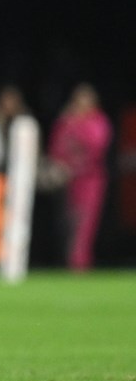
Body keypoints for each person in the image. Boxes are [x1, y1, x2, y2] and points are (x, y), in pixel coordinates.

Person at [47, 82, 112, 270]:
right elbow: (55, 148)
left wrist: (77, 125)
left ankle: (80, 264)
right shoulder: (65, 121)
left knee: (85, 225)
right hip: (68, 180)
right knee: (68, 225)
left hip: (91, 180)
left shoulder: (98, 121)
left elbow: (97, 146)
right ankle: (70, 263)